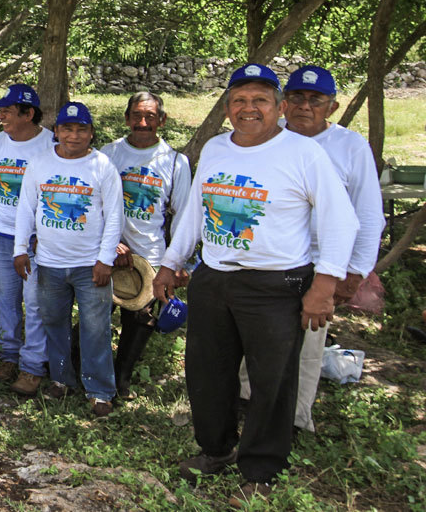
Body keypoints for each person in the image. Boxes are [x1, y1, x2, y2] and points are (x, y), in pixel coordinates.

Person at [155, 63, 358, 503]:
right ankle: (216, 450)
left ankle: (262, 470)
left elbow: (341, 219)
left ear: (280, 107)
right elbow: (195, 209)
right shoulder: (215, 148)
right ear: (228, 108)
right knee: (208, 371)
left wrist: (324, 286)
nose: (249, 109)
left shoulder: (303, 153)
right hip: (214, 278)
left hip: (276, 284)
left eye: (260, 100)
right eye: (240, 100)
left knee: (272, 381)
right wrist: (172, 261)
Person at [238, 65, 384, 432]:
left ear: (331, 107)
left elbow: (367, 214)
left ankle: (295, 420)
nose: (305, 106)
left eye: (315, 100)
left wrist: (354, 272)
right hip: (264, 260)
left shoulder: (349, 147)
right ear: (283, 104)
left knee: (305, 347)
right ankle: (245, 403)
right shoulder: (264, 139)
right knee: (251, 340)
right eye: (297, 98)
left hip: (320, 266)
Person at [13, 102, 122, 417]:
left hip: (91, 265)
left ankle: (100, 391)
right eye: (67, 129)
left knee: (95, 327)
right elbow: (26, 208)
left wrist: (105, 259)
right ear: (56, 132)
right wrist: (21, 248)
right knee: (54, 323)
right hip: (49, 263)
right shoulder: (40, 164)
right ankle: (61, 379)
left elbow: (114, 216)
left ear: (90, 133)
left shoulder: (102, 167)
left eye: (81, 129)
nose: (73, 136)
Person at [99, 92, 192, 399]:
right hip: (109, 253)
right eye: (137, 116)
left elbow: (182, 216)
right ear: (126, 118)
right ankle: (84, 372)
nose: (142, 123)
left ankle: (120, 380)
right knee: (96, 315)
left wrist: (176, 264)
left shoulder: (176, 162)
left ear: (161, 120)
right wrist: (111, 244)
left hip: (151, 256)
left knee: (140, 321)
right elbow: (93, 204)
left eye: (150, 117)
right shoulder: (109, 154)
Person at [0, 84, 53, 396]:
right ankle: (8, 356)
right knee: (4, 297)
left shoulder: (50, 145)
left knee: (36, 302)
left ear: (28, 114)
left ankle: (32, 367)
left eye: (7, 110)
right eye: (0, 110)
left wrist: (46, 235)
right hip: (2, 234)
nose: (0, 115)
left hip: (36, 238)